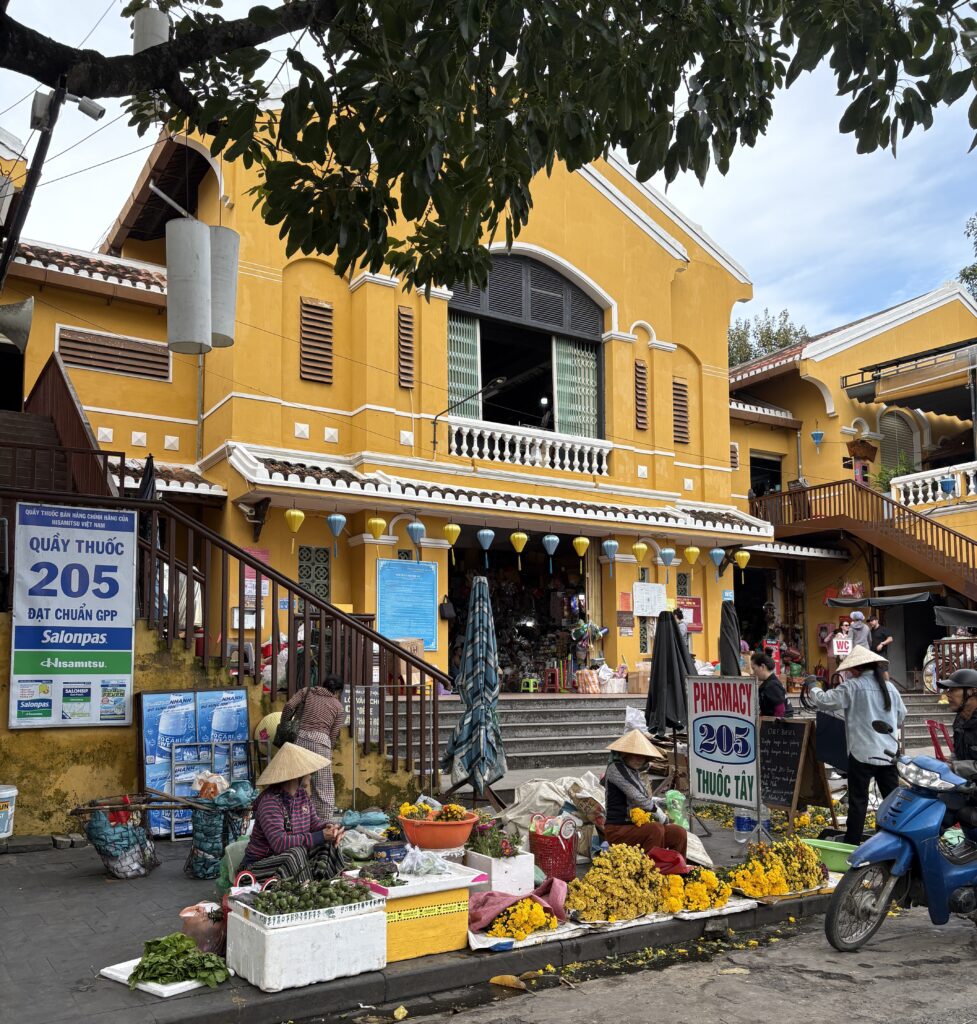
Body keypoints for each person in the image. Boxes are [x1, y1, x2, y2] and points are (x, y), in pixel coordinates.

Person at [805, 646, 907, 845]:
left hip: (861, 753)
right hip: (887, 753)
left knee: (859, 802)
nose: (850, 672)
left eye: (851, 669)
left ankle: (852, 844)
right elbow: (901, 715)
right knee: (891, 802)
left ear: (858, 669)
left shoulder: (852, 686)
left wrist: (812, 685)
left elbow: (825, 701)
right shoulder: (890, 687)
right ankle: (890, 841)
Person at [241, 742, 345, 880]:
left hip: (287, 860)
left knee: (327, 846)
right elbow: (280, 843)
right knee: (296, 853)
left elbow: (314, 823)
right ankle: (306, 892)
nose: (310, 775)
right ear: (297, 775)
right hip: (258, 867)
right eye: (308, 771)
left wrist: (330, 828)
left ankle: (331, 886)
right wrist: (320, 835)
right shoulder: (270, 802)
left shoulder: (301, 795)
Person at [602, 729, 688, 859]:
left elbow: (644, 796)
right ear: (625, 754)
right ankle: (651, 873)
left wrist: (662, 803)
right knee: (655, 829)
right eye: (634, 755)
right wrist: (657, 811)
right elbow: (637, 797)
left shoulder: (634, 771)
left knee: (678, 832)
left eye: (642, 756)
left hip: (636, 826)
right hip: (618, 829)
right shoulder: (615, 769)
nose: (638, 759)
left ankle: (677, 870)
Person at [280, 673, 345, 819]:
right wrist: (329, 749)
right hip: (321, 743)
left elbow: (289, 705)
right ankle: (322, 822)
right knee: (323, 785)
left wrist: (284, 723)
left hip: (301, 738)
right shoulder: (338, 707)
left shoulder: (307, 692)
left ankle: (290, 815)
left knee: (294, 780)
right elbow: (333, 734)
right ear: (337, 691)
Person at [937, 668, 977, 761]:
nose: (947, 694)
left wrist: (955, 767)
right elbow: (958, 753)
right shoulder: (960, 719)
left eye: (953, 690)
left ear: (973, 691)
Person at [751, 651, 790, 718]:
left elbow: (780, 710)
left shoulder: (772, 685)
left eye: (754, 668)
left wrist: (772, 727)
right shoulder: (769, 682)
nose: (753, 672)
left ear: (762, 667)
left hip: (781, 726)